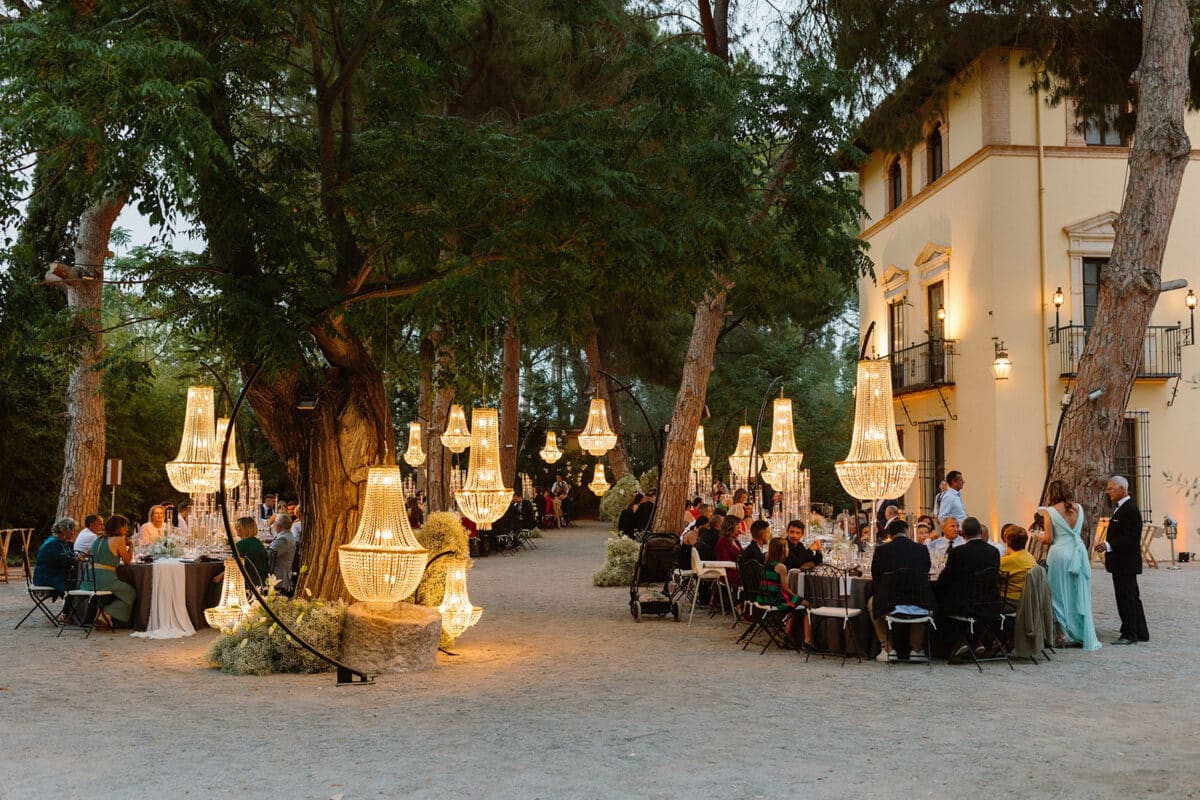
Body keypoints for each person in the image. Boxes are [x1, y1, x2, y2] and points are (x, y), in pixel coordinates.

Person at [1033, 481, 1100, 650]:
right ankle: (1079, 632)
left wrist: (1036, 535)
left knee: (1058, 595)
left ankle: (1062, 634)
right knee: (1077, 593)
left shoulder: (1050, 511)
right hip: (1077, 552)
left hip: (1059, 554)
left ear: (1052, 493)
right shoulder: (1079, 508)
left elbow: (1048, 538)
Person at [869, 518, 934, 662]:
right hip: (919, 600)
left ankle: (888, 648)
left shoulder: (881, 550)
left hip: (890, 602)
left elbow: (876, 577)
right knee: (925, 598)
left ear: (890, 535)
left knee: (871, 602)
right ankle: (916, 649)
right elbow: (926, 570)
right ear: (907, 532)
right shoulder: (921, 549)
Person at [935, 516, 1000, 655]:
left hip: (965, 605)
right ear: (980, 532)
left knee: (938, 602)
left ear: (962, 533)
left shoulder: (958, 553)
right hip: (990, 603)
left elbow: (945, 579)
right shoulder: (994, 552)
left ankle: (956, 643)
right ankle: (977, 641)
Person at [1097, 475, 1149, 645]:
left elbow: (1130, 537)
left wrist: (1108, 544)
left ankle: (1129, 634)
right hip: (1123, 563)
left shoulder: (1130, 509)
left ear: (1122, 489)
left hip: (1125, 563)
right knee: (1133, 596)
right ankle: (1140, 631)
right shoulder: (1123, 508)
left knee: (1125, 597)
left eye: (1111, 488)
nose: (1108, 491)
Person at [81, 515, 136, 625]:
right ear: (118, 527)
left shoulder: (98, 538)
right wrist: (131, 546)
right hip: (104, 579)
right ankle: (105, 614)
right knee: (130, 592)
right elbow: (127, 560)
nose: (126, 530)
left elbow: (88, 554)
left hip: (89, 580)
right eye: (124, 527)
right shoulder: (118, 539)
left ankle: (104, 616)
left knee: (113, 593)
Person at [34, 518, 81, 599]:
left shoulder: (61, 542)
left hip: (53, 576)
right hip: (47, 578)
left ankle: (72, 609)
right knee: (79, 585)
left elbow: (70, 556)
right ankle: (72, 610)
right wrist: (77, 558)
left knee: (77, 581)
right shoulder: (53, 543)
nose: (75, 533)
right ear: (64, 530)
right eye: (73, 530)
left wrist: (75, 557)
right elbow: (66, 561)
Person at [999, 525, 1036, 606]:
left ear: (1007, 542)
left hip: (1010, 601)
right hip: (1027, 600)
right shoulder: (1030, 557)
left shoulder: (1008, 561)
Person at [234, 516, 270, 588]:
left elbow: (234, 566)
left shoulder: (240, 545)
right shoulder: (258, 543)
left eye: (238, 527)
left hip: (246, 581)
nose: (236, 529)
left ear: (243, 529)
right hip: (261, 580)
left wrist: (218, 577)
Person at [267, 513, 297, 593]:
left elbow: (269, 554)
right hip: (280, 574)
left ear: (278, 526)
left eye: (274, 523)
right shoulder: (286, 535)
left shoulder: (283, 539)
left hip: (279, 578)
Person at [715, 516, 744, 593]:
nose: (739, 527)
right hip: (729, 572)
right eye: (737, 525)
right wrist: (741, 567)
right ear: (731, 526)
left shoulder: (734, 539)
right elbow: (725, 561)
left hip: (737, 569)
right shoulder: (723, 541)